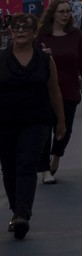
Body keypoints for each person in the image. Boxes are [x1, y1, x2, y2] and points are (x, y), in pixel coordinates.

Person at [0, 12, 65, 240]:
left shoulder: (45, 60)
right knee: (9, 169)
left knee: (26, 165)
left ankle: (22, 215)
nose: (20, 31)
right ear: (10, 31)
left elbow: (54, 91)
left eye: (25, 28)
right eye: (16, 28)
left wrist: (61, 121)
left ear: (34, 32)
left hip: (37, 121)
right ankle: (15, 210)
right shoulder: (1, 59)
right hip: (5, 122)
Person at [35, 0, 82, 185]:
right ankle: (44, 170)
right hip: (45, 90)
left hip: (69, 88)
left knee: (64, 129)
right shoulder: (42, 36)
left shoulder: (75, 35)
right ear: (53, 13)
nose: (66, 15)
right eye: (61, 11)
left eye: (68, 11)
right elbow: (31, 60)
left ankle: (57, 155)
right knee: (44, 130)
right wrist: (42, 56)